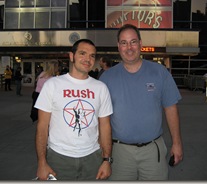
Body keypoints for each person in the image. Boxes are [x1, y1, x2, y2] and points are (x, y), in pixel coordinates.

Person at [99, 24, 183, 180]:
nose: (129, 47)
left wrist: (177, 143)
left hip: (153, 152)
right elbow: (101, 119)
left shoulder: (159, 72)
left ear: (141, 44)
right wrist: (104, 154)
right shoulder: (106, 78)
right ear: (118, 46)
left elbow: (171, 108)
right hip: (119, 153)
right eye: (124, 43)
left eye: (133, 42)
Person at [34, 39, 113, 180]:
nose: (87, 59)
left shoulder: (101, 88)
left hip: (92, 158)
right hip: (58, 157)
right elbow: (42, 126)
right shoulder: (52, 85)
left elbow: (105, 126)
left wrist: (107, 160)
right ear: (71, 56)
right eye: (82, 53)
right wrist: (41, 162)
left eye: (92, 55)